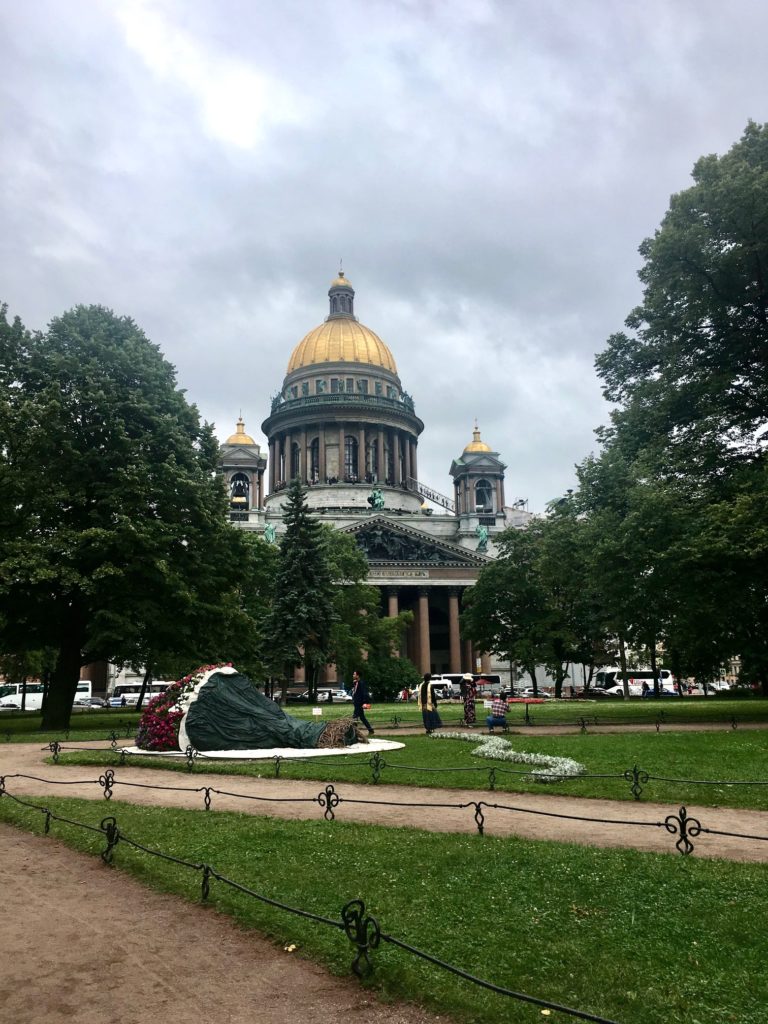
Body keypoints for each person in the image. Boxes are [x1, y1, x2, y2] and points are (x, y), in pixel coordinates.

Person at [351, 670, 375, 735]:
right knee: (362, 717)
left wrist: (364, 702)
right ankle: (370, 730)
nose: (353, 675)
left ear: (357, 676)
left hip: (359, 704)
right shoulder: (356, 683)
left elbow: (364, 693)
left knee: (354, 717)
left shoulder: (361, 683)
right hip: (356, 703)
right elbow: (355, 692)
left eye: (354, 674)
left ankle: (354, 732)